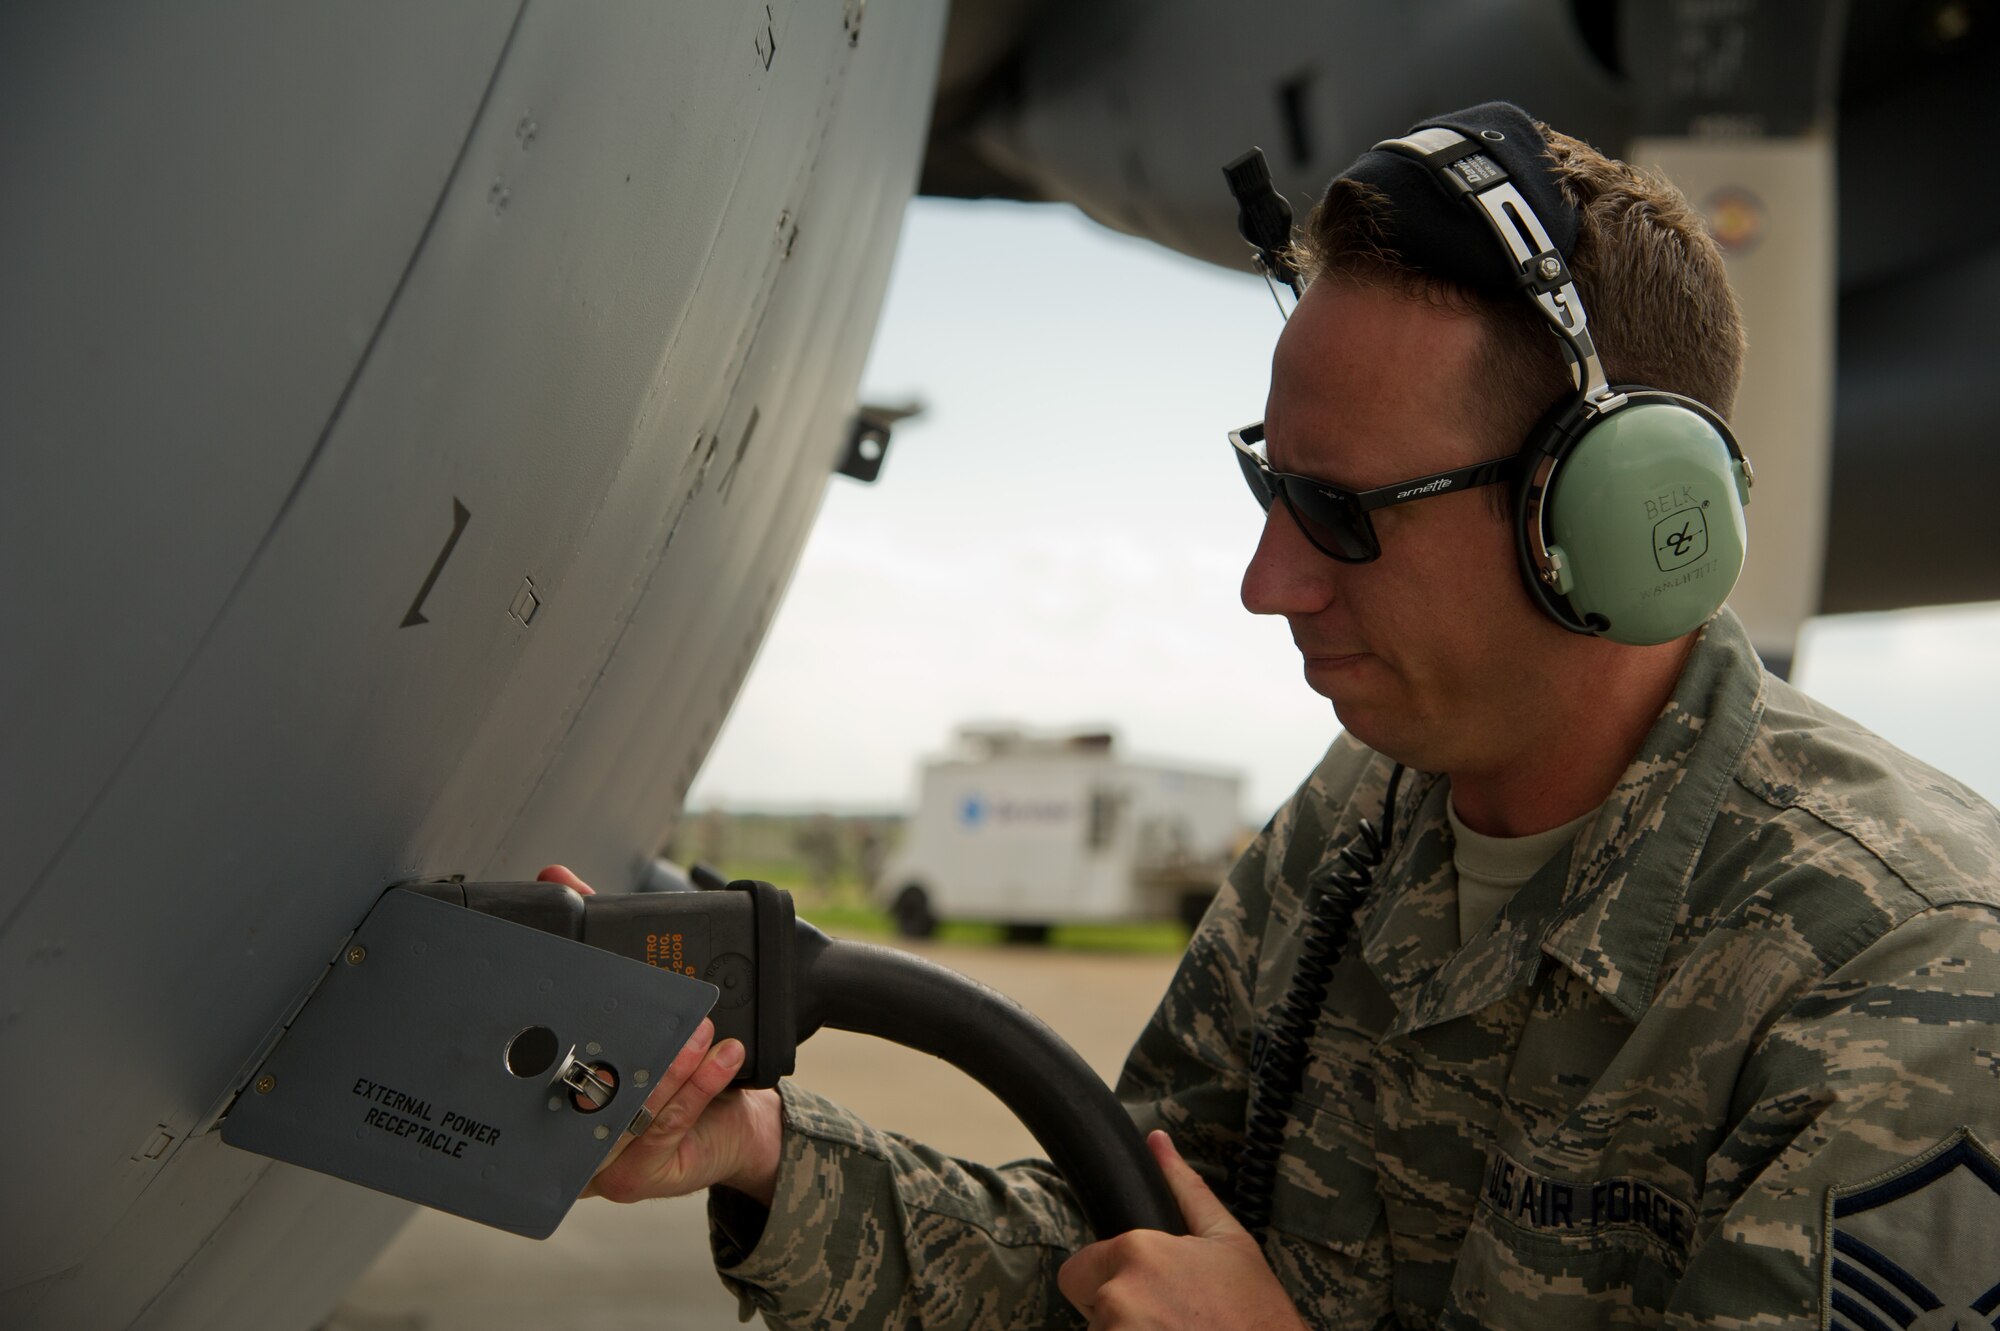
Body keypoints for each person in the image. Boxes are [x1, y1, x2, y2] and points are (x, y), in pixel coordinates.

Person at [551, 103, 2000, 1328]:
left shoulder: (1913, 978)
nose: (1268, 582)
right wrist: (758, 1153)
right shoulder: (1365, 813)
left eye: (1339, 511)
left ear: (1615, 521)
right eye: (1271, 489)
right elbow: (1125, 1250)